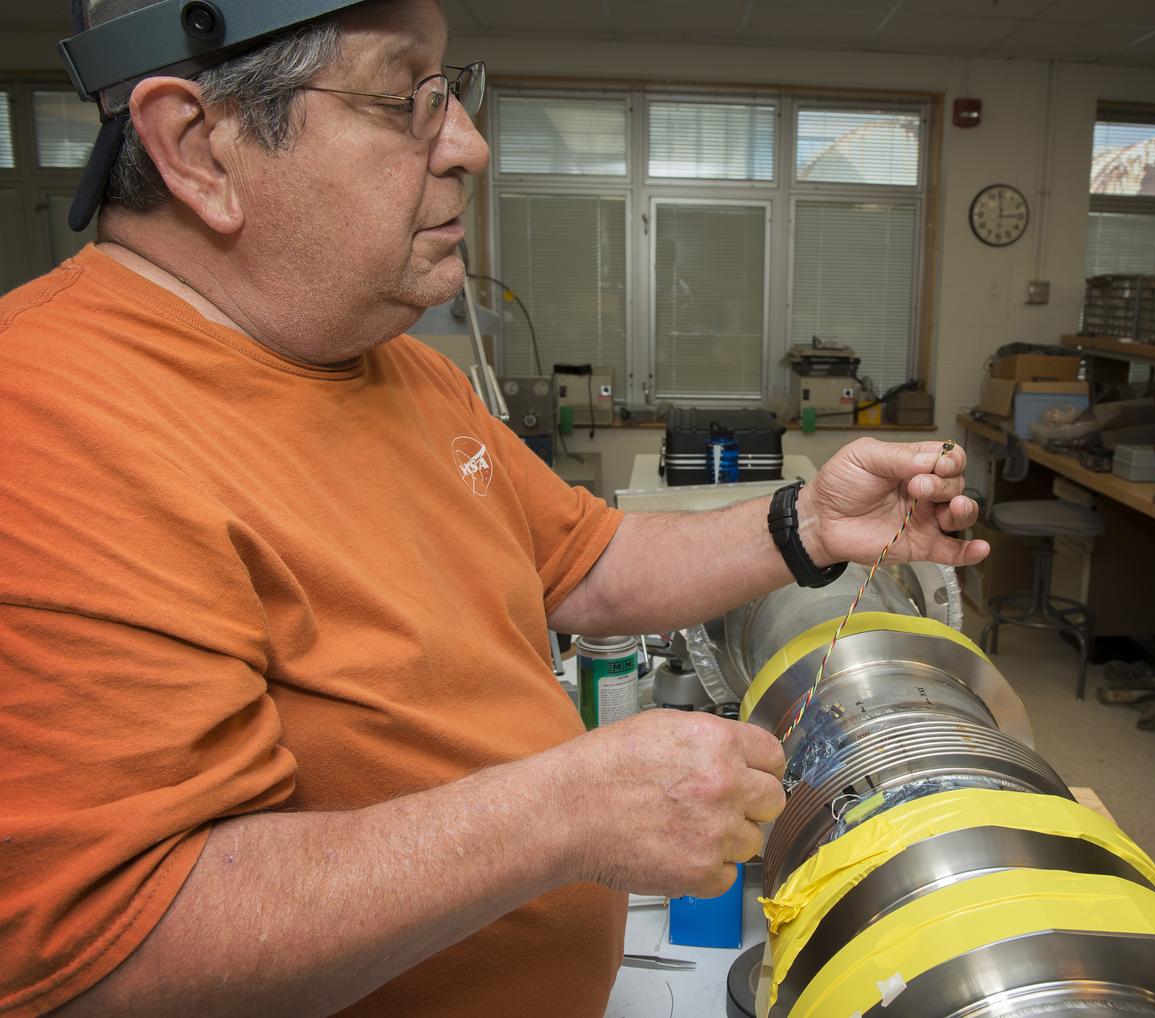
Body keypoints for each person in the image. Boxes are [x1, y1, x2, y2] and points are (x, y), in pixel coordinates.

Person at [0, 0, 987, 1015]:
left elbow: (584, 563)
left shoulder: (399, 370)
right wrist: (569, 810)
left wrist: (806, 525)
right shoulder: (47, 421)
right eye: (403, 100)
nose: (467, 144)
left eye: (451, 93)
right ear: (197, 146)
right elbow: (110, 960)